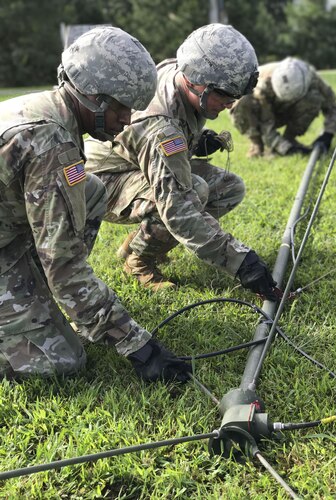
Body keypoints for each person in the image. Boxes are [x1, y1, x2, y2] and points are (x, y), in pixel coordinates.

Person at [0, 26, 191, 382]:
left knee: (89, 190)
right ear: (92, 97)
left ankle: (41, 300)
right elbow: (64, 262)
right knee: (60, 361)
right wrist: (139, 347)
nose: (127, 120)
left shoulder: (50, 111)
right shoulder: (49, 143)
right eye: (121, 108)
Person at [84, 24, 277, 300]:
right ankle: (138, 263)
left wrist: (198, 141)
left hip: (136, 162)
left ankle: (139, 244)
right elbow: (177, 206)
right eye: (223, 94)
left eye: (234, 97)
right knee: (191, 192)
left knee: (228, 187)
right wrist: (241, 263)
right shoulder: (162, 129)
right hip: (103, 180)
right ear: (194, 81)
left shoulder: (183, 70)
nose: (230, 104)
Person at [229, 57, 336, 158]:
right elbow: (265, 123)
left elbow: (333, 106)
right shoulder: (262, 84)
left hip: (288, 112)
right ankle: (256, 144)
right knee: (242, 101)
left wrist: (328, 134)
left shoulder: (314, 80)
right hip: (262, 112)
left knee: (313, 98)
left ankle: (289, 139)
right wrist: (284, 148)